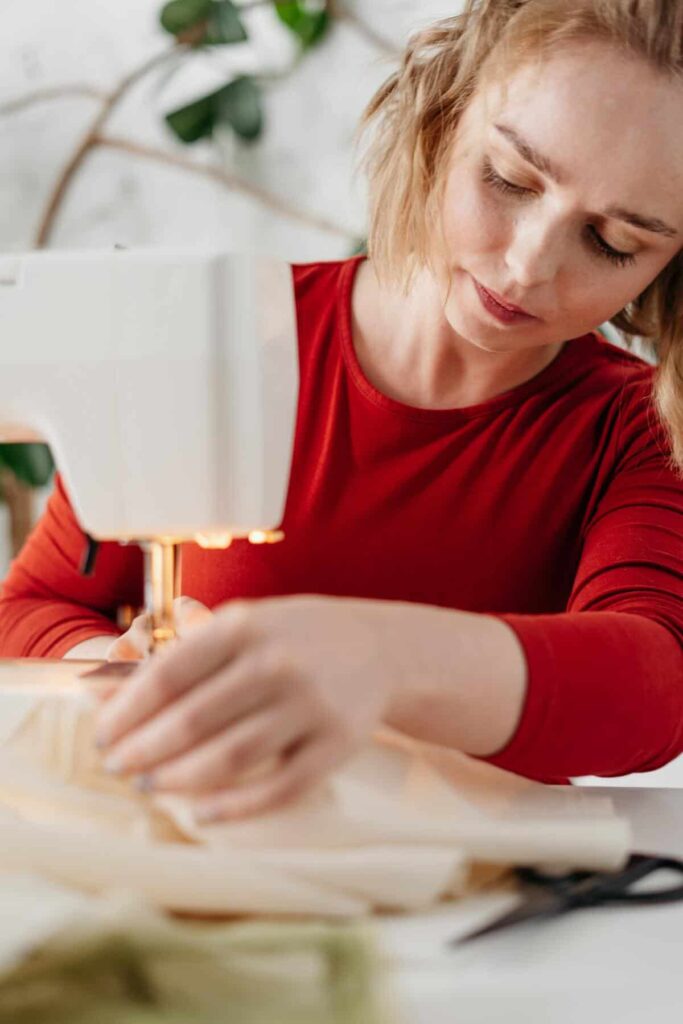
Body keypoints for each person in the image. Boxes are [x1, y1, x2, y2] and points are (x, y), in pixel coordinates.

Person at [1, 0, 682, 823]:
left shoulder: (637, 432)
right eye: (507, 179)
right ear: (442, 118)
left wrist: (377, 662)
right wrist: (113, 674)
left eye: (613, 241)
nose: (527, 264)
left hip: (463, 885)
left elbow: (656, 685)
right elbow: (34, 607)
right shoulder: (217, 339)